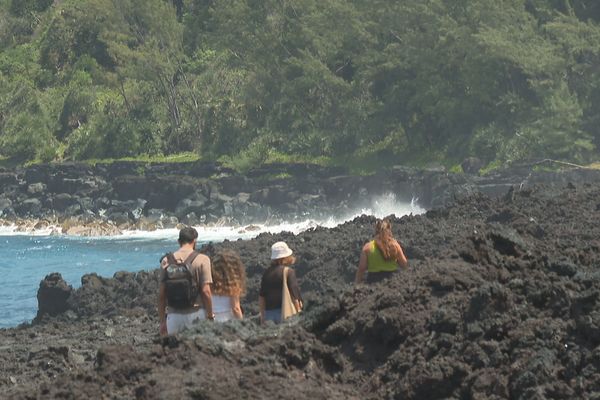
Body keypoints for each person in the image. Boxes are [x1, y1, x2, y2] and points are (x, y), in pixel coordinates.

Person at [158, 226, 215, 336]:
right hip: (196, 314)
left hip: (174, 316)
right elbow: (206, 291)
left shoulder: (166, 261)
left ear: (179, 241)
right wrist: (210, 315)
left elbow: (161, 295)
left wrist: (162, 322)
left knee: (174, 352)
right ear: (194, 241)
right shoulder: (202, 259)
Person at [259, 241, 303, 324]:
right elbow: (295, 295)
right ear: (286, 257)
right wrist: (299, 312)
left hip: (269, 314)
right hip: (285, 313)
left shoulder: (267, 273)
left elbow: (261, 297)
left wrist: (262, 316)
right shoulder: (288, 272)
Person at [355, 218, 408, 284]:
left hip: (373, 281)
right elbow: (404, 264)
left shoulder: (367, 247)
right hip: (393, 281)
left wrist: (357, 284)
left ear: (375, 230)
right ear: (389, 230)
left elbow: (362, 268)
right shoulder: (395, 245)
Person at [210, 249, 246, 321]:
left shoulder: (210, 284)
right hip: (227, 319)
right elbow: (235, 308)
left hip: (212, 319)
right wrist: (242, 323)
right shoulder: (232, 285)